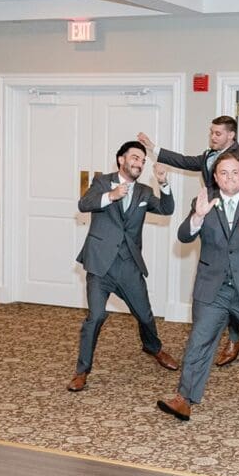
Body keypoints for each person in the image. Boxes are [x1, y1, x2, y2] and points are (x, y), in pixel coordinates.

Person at [157, 152, 239, 420]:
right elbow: (183, 234)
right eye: (223, 173)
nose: (229, 178)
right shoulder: (203, 201)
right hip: (214, 287)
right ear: (215, 177)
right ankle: (185, 397)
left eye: (235, 172)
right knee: (199, 340)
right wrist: (198, 218)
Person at [138, 116, 239, 368]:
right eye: (211, 132)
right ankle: (235, 336)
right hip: (210, 215)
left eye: (217, 133)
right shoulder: (208, 155)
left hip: (236, 219)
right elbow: (184, 161)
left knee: (235, 281)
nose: (212, 137)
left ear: (231, 136)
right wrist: (154, 149)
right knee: (217, 277)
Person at [68, 141, 179, 392]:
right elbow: (84, 205)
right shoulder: (101, 182)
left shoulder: (143, 192)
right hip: (99, 264)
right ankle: (81, 371)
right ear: (121, 159)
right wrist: (111, 196)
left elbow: (166, 209)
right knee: (95, 317)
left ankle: (154, 348)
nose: (139, 163)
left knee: (145, 315)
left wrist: (163, 183)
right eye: (135, 158)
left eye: (142, 160)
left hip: (128, 264)